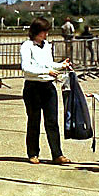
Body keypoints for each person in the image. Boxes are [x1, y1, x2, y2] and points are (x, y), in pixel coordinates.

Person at [19, 17, 72, 165]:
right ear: (36, 31)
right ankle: (33, 153)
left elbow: (49, 64)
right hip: (33, 87)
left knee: (52, 122)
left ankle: (57, 154)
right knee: (34, 121)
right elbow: (26, 68)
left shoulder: (47, 45)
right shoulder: (27, 46)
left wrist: (61, 65)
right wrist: (46, 72)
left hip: (48, 87)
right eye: (43, 32)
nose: (46, 35)